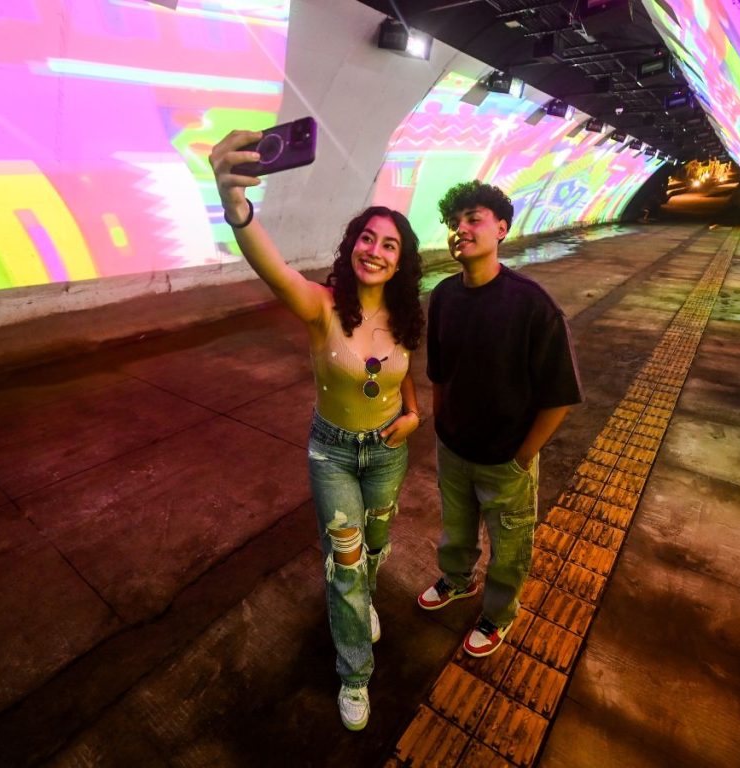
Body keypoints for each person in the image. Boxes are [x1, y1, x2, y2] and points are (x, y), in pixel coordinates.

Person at [209, 130, 424, 731]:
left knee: (376, 551)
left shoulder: (406, 316)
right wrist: (236, 208)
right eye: (366, 238)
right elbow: (273, 269)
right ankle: (355, 673)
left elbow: (402, 375)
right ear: (352, 245)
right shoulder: (322, 307)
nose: (375, 250)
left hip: (387, 452)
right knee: (346, 564)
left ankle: (362, 609)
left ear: (401, 259)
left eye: (388, 244)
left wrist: (412, 413)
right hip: (332, 453)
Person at [417, 180, 582, 657]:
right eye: (455, 221)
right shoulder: (445, 296)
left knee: (509, 548)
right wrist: (441, 426)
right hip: (454, 449)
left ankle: (497, 614)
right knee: (457, 529)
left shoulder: (532, 305)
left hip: (505, 459)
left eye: (474, 219)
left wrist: (523, 455)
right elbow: (440, 373)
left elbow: (560, 397)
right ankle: (457, 579)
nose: (461, 229)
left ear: (502, 229)